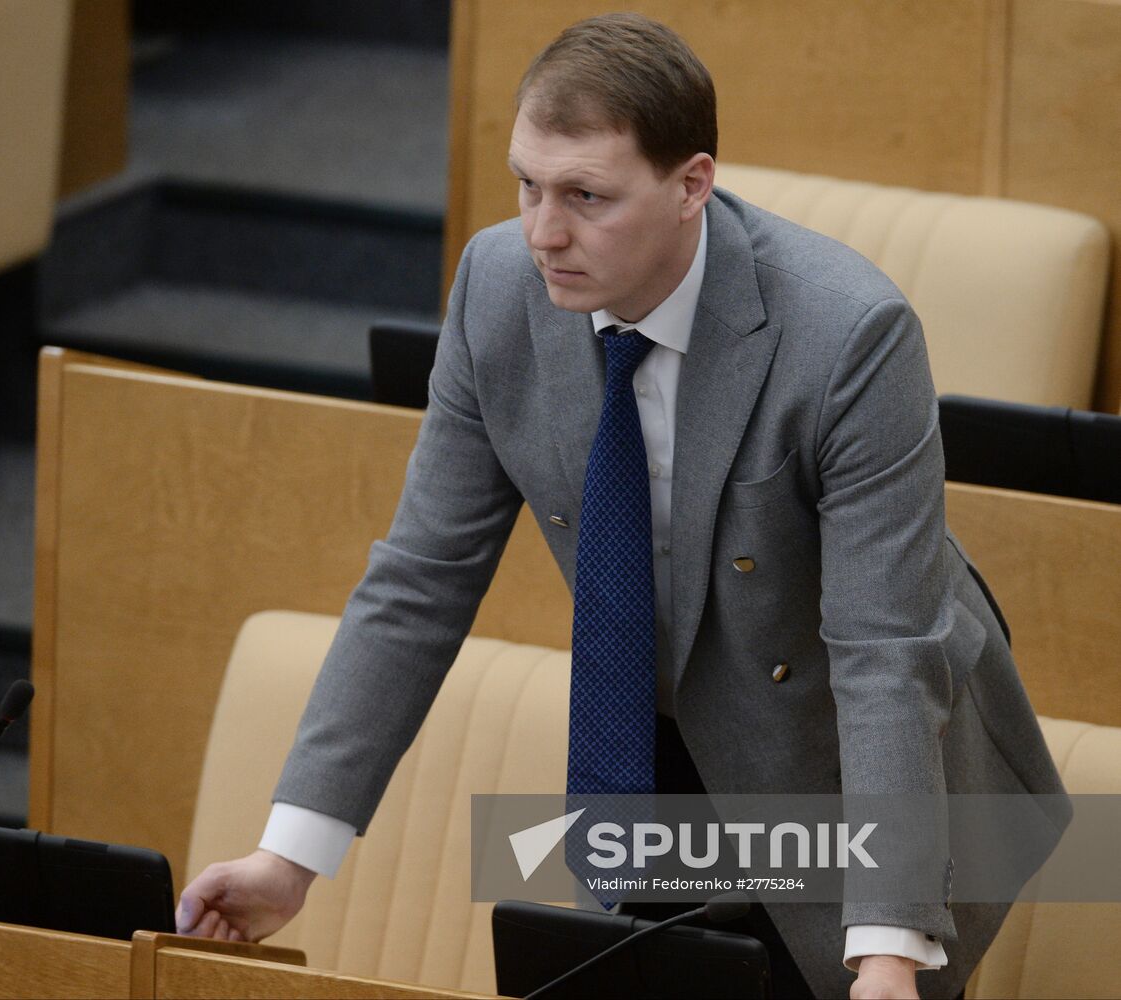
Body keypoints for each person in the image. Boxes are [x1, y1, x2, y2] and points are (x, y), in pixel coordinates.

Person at [176, 14, 1069, 999]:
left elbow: (882, 655)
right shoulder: (497, 289)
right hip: (657, 739)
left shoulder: (850, 337)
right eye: (527, 185)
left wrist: (889, 953)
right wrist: (288, 855)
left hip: (859, 758)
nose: (544, 232)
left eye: (586, 197)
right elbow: (419, 580)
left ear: (693, 185)